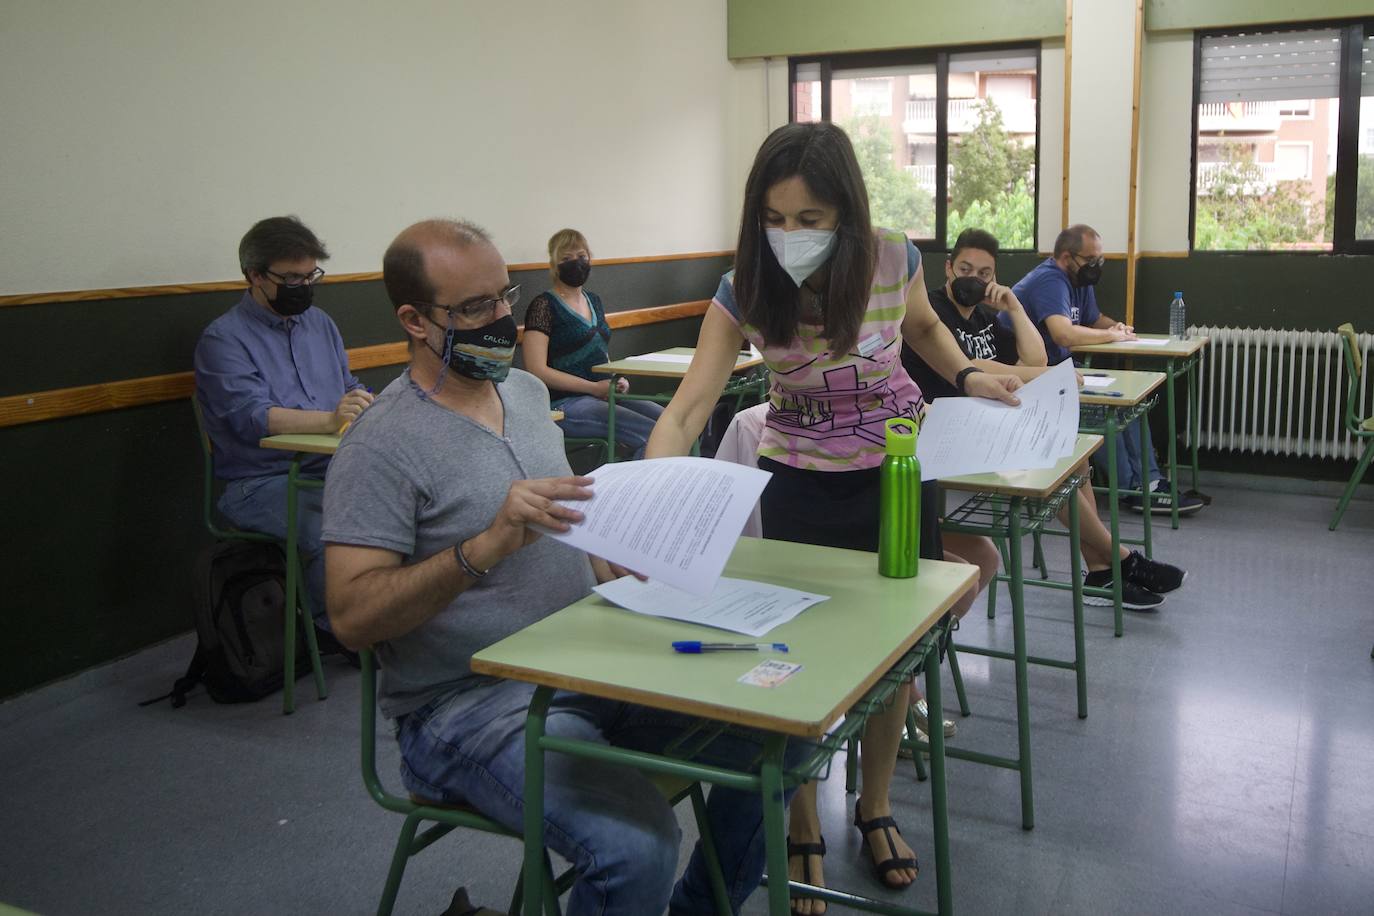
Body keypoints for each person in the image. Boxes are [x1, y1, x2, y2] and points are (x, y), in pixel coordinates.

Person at [321, 218, 801, 916]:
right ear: (414, 321)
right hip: (468, 703)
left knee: (779, 738)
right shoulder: (380, 444)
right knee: (635, 848)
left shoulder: (523, 394)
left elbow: (568, 527)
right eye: (474, 308)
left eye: (504, 297)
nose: (501, 320)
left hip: (585, 659)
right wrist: (480, 549)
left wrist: (627, 560)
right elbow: (352, 617)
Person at [644, 122, 1023, 914]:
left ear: (846, 213)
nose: (789, 235)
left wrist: (967, 373)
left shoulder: (894, 259)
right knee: (799, 657)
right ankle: (802, 818)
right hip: (799, 477)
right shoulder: (746, 286)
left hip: (895, 472)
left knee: (895, 656)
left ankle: (874, 805)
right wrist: (647, 504)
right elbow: (686, 410)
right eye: (773, 218)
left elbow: (923, 327)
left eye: (809, 219)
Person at [905, 228, 1187, 610]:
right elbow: (973, 366)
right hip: (949, 427)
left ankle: (1100, 569)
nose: (973, 279)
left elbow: (1035, 357)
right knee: (1046, 463)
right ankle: (1119, 558)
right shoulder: (934, 311)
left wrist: (1014, 307)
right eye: (966, 269)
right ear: (949, 268)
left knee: (1072, 455)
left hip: (986, 420)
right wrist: (1048, 375)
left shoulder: (985, 316)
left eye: (984, 273)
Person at [193, 215, 372, 641]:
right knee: (333, 533)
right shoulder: (223, 339)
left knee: (404, 504)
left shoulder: (320, 323)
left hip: (326, 467)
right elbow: (252, 418)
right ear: (254, 275)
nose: (303, 286)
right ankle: (334, 632)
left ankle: (383, 614)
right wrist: (331, 420)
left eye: (310, 276)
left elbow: (348, 386)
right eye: (291, 278)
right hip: (259, 481)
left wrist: (368, 403)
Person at [1012, 224, 1203, 516]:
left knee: (1128, 399)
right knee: (1103, 410)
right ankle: (1132, 488)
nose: (1096, 266)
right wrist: (1110, 336)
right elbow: (1064, 334)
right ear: (1066, 257)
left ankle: (1149, 482)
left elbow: (1093, 318)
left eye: (1099, 259)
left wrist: (1117, 328)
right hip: (1030, 375)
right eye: (1091, 259)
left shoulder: (1079, 278)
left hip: (1061, 369)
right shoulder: (1049, 280)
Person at [522, 229, 664, 458]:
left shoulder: (594, 300)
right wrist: (593, 388)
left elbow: (600, 352)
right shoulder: (543, 306)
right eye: (566, 258)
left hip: (602, 395)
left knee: (669, 423)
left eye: (581, 256)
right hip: (564, 403)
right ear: (554, 264)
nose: (576, 263)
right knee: (651, 435)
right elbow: (537, 370)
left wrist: (615, 380)